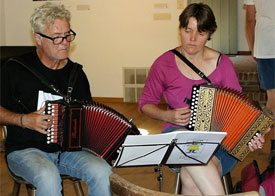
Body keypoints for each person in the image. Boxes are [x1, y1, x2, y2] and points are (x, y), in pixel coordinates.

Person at [138, 3, 270, 195]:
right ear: (180, 29)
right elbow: (145, 104)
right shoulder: (163, 63)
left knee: (190, 177)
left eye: (200, 33)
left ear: (209, 34)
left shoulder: (222, 63)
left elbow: (240, 111)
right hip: (179, 134)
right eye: (187, 30)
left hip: (221, 142)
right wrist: (168, 116)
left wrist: (254, 136)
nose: (192, 39)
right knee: (195, 159)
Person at [0, 3, 112, 196]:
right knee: (48, 176)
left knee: (103, 171)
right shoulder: (14, 69)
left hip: (69, 152)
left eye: (68, 35)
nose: (65, 42)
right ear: (38, 38)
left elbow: (87, 118)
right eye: (57, 37)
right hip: (25, 150)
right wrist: (23, 120)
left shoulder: (76, 74)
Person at [244, 0, 275, 165]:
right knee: (273, 103)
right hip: (268, 46)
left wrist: (253, 46)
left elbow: (250, 20)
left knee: (273, 102)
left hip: (266, 45)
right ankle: (254, 135)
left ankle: (255, 137)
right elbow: (250, 20)